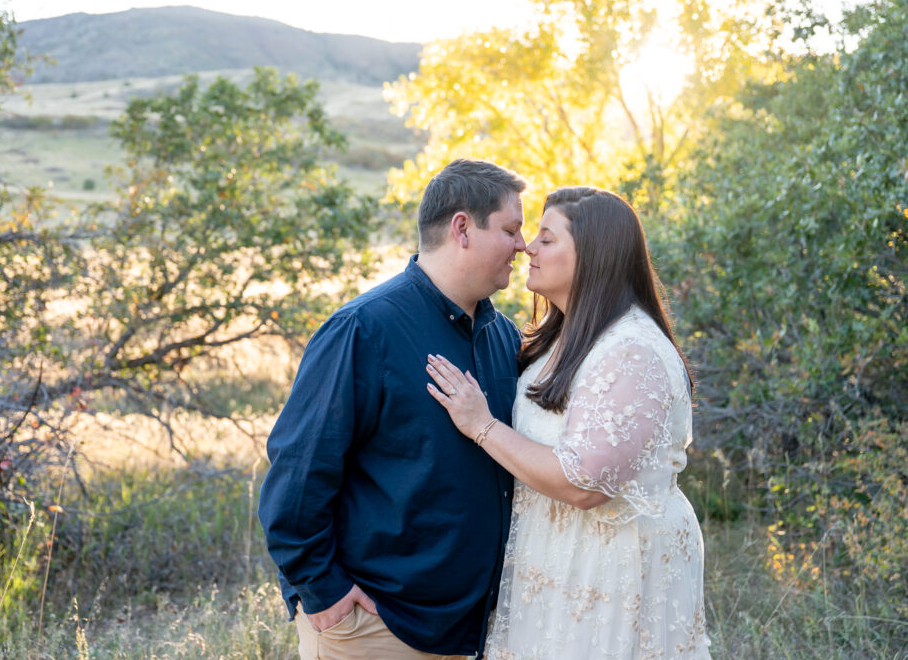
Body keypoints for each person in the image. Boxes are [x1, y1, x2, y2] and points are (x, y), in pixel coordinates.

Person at [258, 159, 529, 659]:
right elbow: (298, 475)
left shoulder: (504, 336)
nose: (523, 245)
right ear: (463, 229)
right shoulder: (363, 329)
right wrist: (324, 591)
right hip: (376, 627)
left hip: (473, 629)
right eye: (512, 229)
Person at [425, 186, 711, 658]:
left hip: (611, 568)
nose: (527, 248)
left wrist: (482, 426)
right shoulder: (559, 335)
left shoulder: (631, 350)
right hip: (556, 559)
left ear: (594, 256)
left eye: (546, 238)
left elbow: (585, 485)